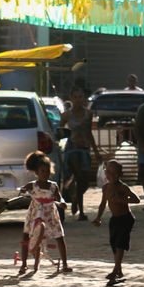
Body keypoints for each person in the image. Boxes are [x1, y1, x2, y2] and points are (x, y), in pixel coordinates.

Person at [18, 151, 71, 275]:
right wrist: (23, 191)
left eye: (47, 171)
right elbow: (22, 190)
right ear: (36, 172)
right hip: (35, 213)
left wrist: (62, 203)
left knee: (59, 237)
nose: (45, 174)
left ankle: (65, 263)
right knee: (26, 236)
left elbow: (59, 198)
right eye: (42, 171)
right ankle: (24, 264)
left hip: (50, 214)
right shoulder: (32, 185)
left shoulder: (53, 186)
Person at [93, 159, 139, 284]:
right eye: (108, 172)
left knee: (120, 244)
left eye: (114, 173)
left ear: (120, 175)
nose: (111, 175)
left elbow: (136, 200)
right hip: (115, 219)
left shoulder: (122, 187)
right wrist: (98, 217)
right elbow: (103, 204)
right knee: (114, 244)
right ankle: (119, 270)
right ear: (105, 173)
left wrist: (122, 200)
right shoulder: (106, 188)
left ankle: (115, 271)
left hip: (126, 219)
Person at [59, 88, 95, 220]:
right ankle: (81, 211)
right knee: (78, 176)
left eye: (81, 97)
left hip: (85, 149)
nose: (79, 100)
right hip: (72, 149)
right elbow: (60, 130)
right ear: (72, 98)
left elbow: (89, 132)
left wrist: (96, 151)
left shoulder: (88, 114)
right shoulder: (67, 115)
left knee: (85, 181)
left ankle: (75, 199)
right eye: (76, 97)